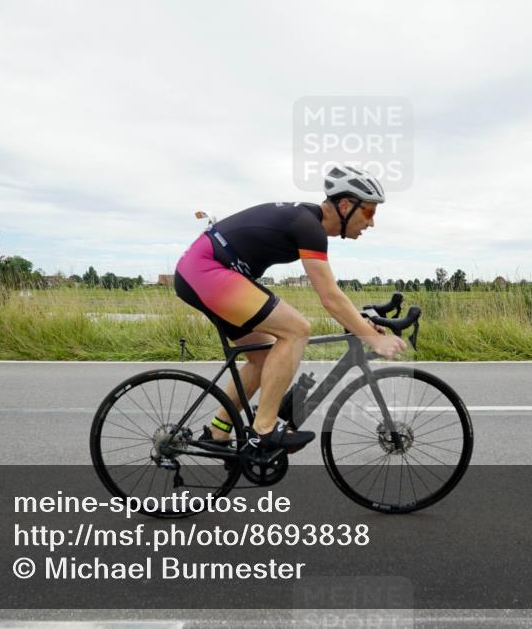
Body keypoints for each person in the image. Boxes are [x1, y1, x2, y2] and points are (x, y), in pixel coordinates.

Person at [173, 164, 408, 454]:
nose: (371, 222)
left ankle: (218, 432)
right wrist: (373, 339)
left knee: (262, 355)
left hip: (203, 271)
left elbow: (329, 291)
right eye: (370, 212)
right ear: (346, 205)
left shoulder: (306, 222)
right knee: (297, 330)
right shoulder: (308, 225)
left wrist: (360, 323)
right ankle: (264, 431)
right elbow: (330, 298)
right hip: (207, 270)